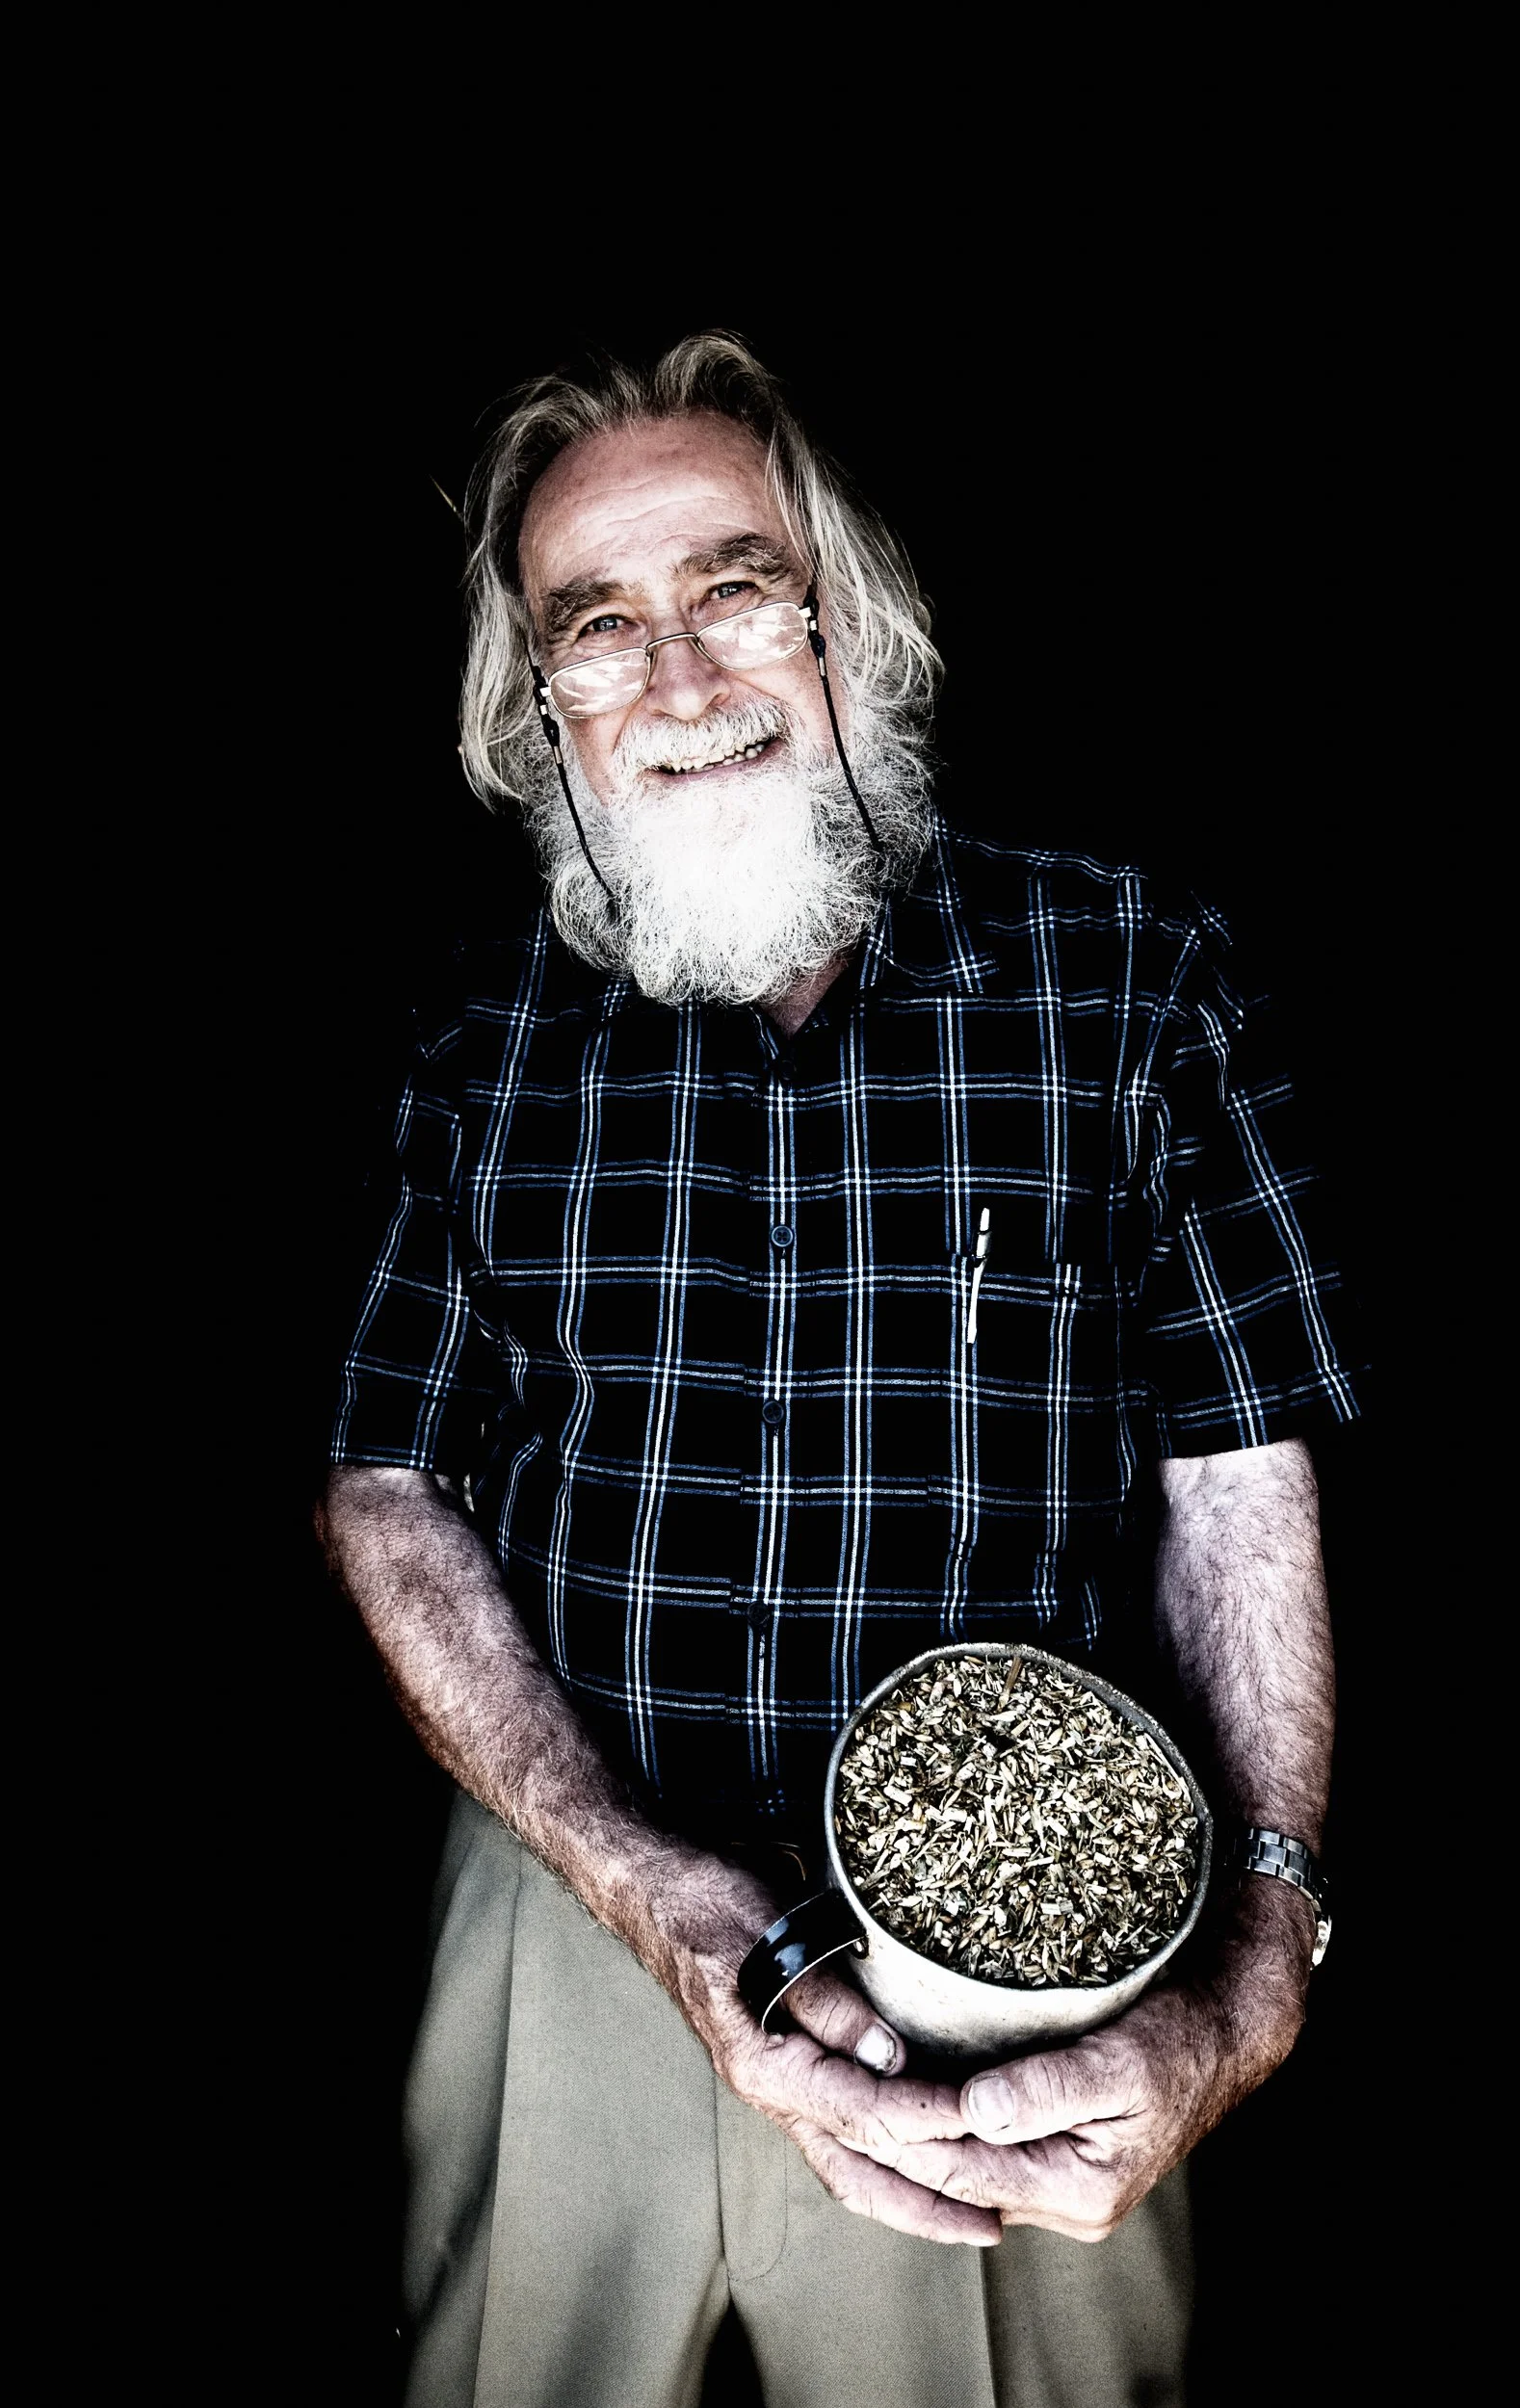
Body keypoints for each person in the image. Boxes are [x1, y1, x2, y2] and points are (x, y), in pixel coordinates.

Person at [319, 332, 1362, 2408]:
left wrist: (1255, 1964)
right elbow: (387, 1481)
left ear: (846, 618)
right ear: (541, 708)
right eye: (596, 628)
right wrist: (635, 1876)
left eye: (735, 584)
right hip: (570, 1885)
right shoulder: (486, 1026)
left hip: (1035, 1952)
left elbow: (1239, 1479)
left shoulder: (1128, 973)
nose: (682, 678)